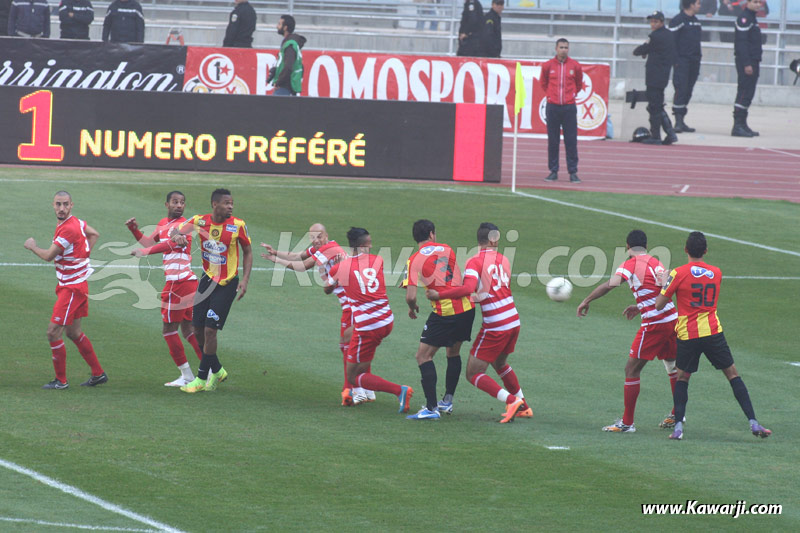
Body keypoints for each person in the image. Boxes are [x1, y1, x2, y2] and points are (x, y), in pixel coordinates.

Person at [655, 231, 771, 440]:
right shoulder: (717, 272)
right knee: (732, 375)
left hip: (688, 334)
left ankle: (678, 427)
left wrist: (664, 281)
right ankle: (753, 423)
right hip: (712, 331)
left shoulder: (678, 273)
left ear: (685, 250)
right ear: (706, 251)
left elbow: (659, 304)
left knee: (682, 378)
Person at [577, 230, 680, 433]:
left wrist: (586, 300)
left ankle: (627, 423)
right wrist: (639, 306)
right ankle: (677, 413)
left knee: (631, 369)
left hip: (655, 324)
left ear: (627, 246)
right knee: (671, 364)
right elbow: (661, 290)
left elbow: (609, 285)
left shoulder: (630, 265)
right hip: (672, 320)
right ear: (646, 245)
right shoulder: (656, 262)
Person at [426, 223, 530, 423]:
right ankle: (523, 405)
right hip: (513, 319)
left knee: (473, 373)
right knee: (500, 363)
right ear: (493, 239)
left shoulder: (475, 262)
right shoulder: (503, 259)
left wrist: (440, 294)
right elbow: (493, 291)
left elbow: (468, 288)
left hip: (496, 324)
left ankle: (511, 401)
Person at [260, 223, 375, 406]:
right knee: (355, 345)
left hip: (353, 305)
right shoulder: (321, 247)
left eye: (319, 236)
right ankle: (366, 389)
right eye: (312, 237)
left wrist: (275, 261)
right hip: (352, 304)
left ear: (326, 235)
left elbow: (302, 266)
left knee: (349, 347)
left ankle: (356, 389)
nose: (316, 240)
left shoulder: (328, 249)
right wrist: (275, 252)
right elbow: (297, 255)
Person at [171, 188, 253, 393]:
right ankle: (217, 370)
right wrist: (177, 237)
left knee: (209, 331)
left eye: (232, 203)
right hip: (207, 281)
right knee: (196, 329)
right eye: (226, 203)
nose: (230, 207)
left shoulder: (238, 225)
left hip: (227, 284)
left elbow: (248, 251)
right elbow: (176, 231)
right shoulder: (200, 221)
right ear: (215, 204)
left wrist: (245, 279)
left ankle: (201, 378)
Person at [23, 191, 107, 389]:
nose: (61, 208)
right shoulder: (77, 222)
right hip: (75, 285)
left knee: (53, 332)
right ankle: (98, 374)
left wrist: (32, 246)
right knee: (74, 332)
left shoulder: (68, 228)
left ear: (71, 205)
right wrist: (83, 256)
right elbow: (94, 234)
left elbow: (48, 256)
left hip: (71, 288)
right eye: (58, 204)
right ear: (53, 205)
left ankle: (61, 381)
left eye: (65, 204)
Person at [328, 227, 414, 415]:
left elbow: (327, 288)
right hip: (386, 320)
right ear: (362, 245)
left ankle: (400, 391)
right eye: (369, 243)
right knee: (347, 337)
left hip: (368, 326)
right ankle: (369, 390)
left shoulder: (341, 267)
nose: (372, 245)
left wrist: (337, 269)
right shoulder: (378, 260)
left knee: (354, 376)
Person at [125, 191, 203, 387]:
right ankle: (210, 369)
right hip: (187, 282)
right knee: (188, 329)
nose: (179, 205)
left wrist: (144, 252)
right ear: (166, 204)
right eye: (175, 202)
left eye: (182, 203)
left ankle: (187, 375)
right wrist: (134, 230)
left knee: (168, 330)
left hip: (178, 283)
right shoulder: (163, 223)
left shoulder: (182, 226)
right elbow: (150, 242)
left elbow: (168, 245)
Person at [402, 219, 476, 420]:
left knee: (423, 356)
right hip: (467, 308)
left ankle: (431, 408)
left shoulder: (414, 259)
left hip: (445, 313)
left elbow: (410, 296)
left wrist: (412, 307)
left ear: (415, 237)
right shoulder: (447, 249)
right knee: (453, 352)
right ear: (432, 234)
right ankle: (447, 402)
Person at [541, 38, 583, 184]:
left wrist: (570, 96)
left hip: (569, 107)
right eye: (561, 47)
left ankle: (573, 172)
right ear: (556, 48)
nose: (563, 49)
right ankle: (553, 171)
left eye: (566, 47)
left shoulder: (575, 66)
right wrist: (551, 96)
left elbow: (578, 84)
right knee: (553, 141)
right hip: (552, 107)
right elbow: (543, 83)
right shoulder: (547, 66)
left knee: (571, 141)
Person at [633, 11, 679, 145]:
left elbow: (642, 49)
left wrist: (639, 52)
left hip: (654, 75)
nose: (653, 24)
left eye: (655, 21)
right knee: (657, 105)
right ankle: (670, 134)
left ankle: (656, 136)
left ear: (662, 22)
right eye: (651, 21)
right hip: (662, 75)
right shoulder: (669, 35)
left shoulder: (656, 36)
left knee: (654, 107)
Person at [669, 0, 703, 133]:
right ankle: (677, 121)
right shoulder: (678, 20)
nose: (700, 6)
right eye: (698, 3)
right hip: (682, 61)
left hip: (694, 61)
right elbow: (671, 42)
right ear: (691, 4)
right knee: (681, 89)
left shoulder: (696, 21)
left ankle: (682, 120)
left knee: (688, 90)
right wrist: (675, 61)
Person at [731, 0, 763, 137]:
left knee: (749, 93)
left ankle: (743, 124)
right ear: (747, 3)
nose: (758, 5)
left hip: (754, 60)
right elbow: (742, 43)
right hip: (747, 61)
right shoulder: (744, 18)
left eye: (759, 2)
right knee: (744, 91)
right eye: (754, 2)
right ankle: (737, 126)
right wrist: (746, 63)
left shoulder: (752, 19)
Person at [268, 14, 306, 96]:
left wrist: (278, 82)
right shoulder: (291, 43)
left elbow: (288, 66)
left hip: (285, 87)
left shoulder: (290, 45)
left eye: (279, 24)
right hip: (287, 87)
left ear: (285, 27)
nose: (277, 26)